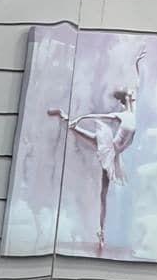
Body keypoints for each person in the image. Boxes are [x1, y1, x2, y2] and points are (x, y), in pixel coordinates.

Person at [48, 49, 143, 253]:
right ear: (126, 98)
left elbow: (137, 85)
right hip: (110, 148)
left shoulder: (132, 111)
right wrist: (80, 118)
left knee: (104, 191)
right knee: (103, 192)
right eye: (130, 94)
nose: (133, 95)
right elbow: (96, 115)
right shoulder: (120, 115)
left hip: (114, 152)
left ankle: (101, 230)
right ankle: (101, 231)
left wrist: (137, 63)